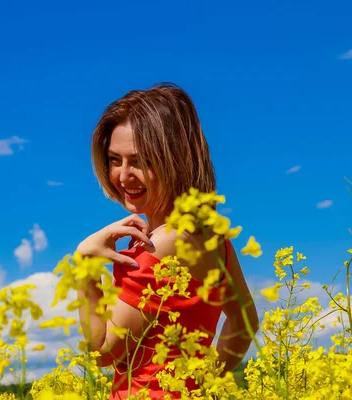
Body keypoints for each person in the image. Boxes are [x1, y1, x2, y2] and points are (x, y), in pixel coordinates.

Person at [76, 83, 259, 399]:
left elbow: (103, 353)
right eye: (114, 159)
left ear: (175, 158)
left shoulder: (159, 247)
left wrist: (86, 265)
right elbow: (244, 323)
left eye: (139, 161)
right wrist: (201, 387)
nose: (123, 175)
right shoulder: (212, 238)